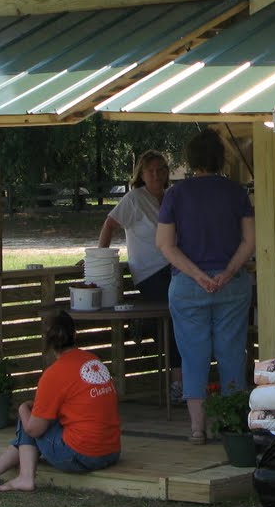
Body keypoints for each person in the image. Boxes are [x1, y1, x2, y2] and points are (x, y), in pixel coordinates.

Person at [155, 129, 256, 444]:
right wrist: (226, 272)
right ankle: (232, 422)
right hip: (232, 285)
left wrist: (197, 275)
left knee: (193, 356)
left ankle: (197, 428)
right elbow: (250, 241)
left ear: (190, 160)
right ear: (220, 158)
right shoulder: (236, 192)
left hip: (188, 286)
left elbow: (165, 245)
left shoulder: (175, 195)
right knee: (231, 354)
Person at [0, 311, 122, 491]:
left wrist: (22, 408)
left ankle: (24, 478)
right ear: (75, 334)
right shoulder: (93, 360)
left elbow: (33, 429)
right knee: (36, 418)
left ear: (47, 341)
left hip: (82, 456)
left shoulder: (54, 374)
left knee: (28, 418)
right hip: (111, 451)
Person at [98, 149, 182, 396]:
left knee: (186, 316)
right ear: (141, 174)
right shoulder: (134, 198)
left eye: (160, 170)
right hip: (149, 272)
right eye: (150, 171)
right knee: (175, 317)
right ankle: (177, 383)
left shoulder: (170, 197)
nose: (156, 175)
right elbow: (110, 223)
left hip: (175, 267)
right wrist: (99, 257)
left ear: (167, 173)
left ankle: (146, 327)